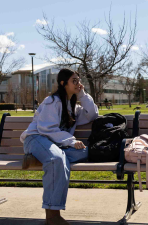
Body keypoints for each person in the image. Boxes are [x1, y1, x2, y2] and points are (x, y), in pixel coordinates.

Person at [20, 68, 99, 225]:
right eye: (74, 81)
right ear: (64, 84)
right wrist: (71, 141)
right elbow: (46, 129)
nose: (79, 84)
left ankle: (38, 160)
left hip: (54, 144)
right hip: (36, 139)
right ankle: (52, 216)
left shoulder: (72, 107)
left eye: (79, 80)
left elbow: (92, 115)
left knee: (87, 152)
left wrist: (82, 95)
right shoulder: (52, 101)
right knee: (57, 159)